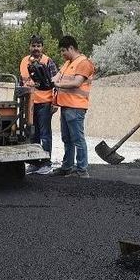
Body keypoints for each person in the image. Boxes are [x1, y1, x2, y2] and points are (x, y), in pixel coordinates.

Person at [50, 35, 95, 178]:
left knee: (77, 139)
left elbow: (76, 83)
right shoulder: (67, 63)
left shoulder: (84, 63)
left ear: (71, 48)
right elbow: (55, 78)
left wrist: (58, 84)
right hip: (65, 106)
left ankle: (82, 170)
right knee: (67, 138)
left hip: (76, 107)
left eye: (63, 50)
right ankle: (67, 166)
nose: (62, 54)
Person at [20, 34, 58, 175]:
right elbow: (21, 82)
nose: (36, 48)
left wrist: (55, 102)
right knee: (32, 134)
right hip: (29, 104)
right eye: (33, 46)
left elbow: (56, 84)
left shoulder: (48, 62)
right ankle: (35, 163)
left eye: (38, 46)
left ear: (42, 47)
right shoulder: (24, 61)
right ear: (30, 46)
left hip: (44, 103)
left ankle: (46, 163)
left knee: (45, 134)